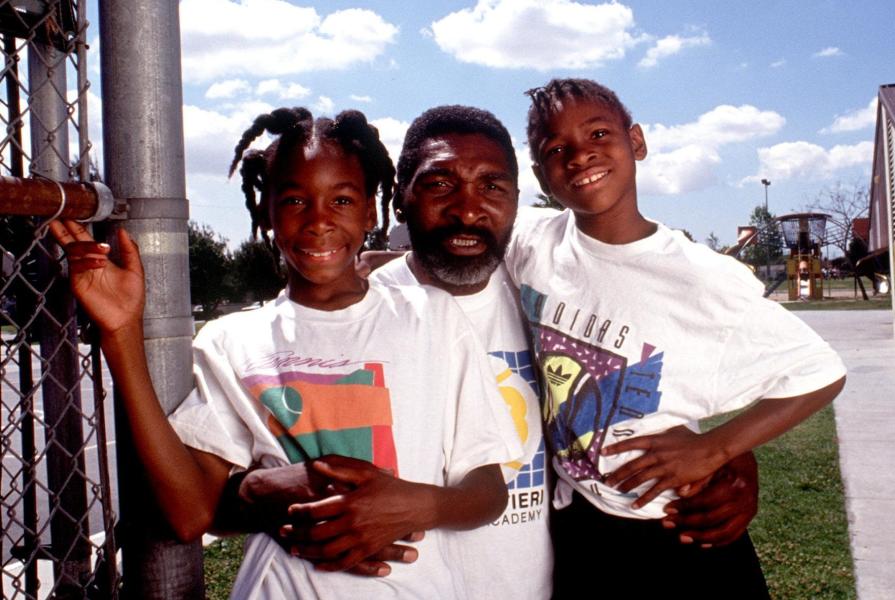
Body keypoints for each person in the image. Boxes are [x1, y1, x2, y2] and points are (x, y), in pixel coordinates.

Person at [232, 105, 765, 598]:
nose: (467, 210)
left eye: (492, 187)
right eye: (439, 184)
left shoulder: (549, 290)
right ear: (399, 197)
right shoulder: (363, 308)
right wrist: (256, 488)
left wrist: (733, 455)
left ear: (516, 198)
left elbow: (669, 374)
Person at [50, 107, 520, 599]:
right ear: (266, 213)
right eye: (295, 200)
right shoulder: (233, 341)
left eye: (341, 199)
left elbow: (488, 492)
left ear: (370, 212)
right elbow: (189, 515)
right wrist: (121, 334)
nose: (318, 221)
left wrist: (414, 506)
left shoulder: (435, 317)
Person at [509, 78, 847, 597]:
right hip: (583, 522)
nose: (580, 156)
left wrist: (716, 449)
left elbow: (820, 372)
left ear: (636, 142)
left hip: (674, 527)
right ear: (540, 174)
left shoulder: (698, 277)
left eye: (599, 133)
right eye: (556, 149)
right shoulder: (534, 241)